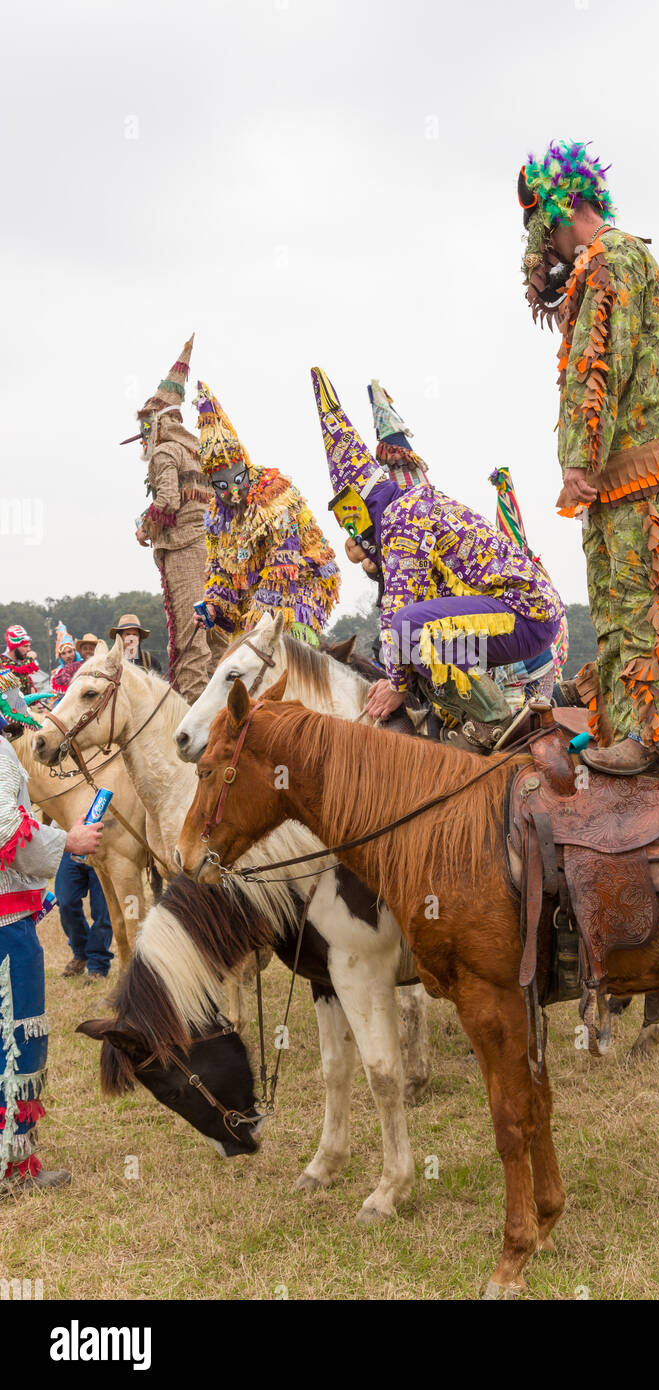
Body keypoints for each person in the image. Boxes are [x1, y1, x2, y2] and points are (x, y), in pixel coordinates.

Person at [519, 141, 659, 775]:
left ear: (569, 208)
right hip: (621, 474)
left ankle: (658, 736)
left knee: (640, 600)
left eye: (546, 231)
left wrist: (578, 459)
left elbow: (598, 368)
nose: (545, 247)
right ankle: (625, 729)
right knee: (615, 606)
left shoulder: (611, 261)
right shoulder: (598, 265)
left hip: (637, 468)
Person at [312, 368, 565, 750]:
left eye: (352, 523)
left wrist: (396, 685)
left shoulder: (402, 516)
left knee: (408, 625)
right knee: (415, 637)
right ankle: (480, 717)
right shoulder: (405, 510)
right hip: (517, 618)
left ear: (360, 508)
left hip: (525, 617)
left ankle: (495, 721)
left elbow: (399, 609)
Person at [1, 683, 103, 1193]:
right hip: (4, 932)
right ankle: (12, 1165)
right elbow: (4, 829)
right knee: (18, 1037)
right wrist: (70, 840)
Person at [193, 380, 340, 644]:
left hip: (301, 580)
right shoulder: (215, 519)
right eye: (222, 486)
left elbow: (283, 561)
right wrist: (213, 607)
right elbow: (218, 569)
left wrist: (261, 614)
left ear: (246, 467)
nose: (233, 492)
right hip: (254, 595)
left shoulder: (276, 496)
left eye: (237, 480)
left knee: (287, 643)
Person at [123, 334, 213, 701]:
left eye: (147, 426)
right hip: (207, 550)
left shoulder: (165, 452)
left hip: (181, 551)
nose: (144, 436)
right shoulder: (198, 452)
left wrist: (145, 528)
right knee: (210, 631)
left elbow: (167, 501)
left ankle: (193, 715)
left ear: (158, 423)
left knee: (189, 638)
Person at [55, 851, 113, 982]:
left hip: (104, 846)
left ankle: (98, 965)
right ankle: (81, 953)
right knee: (65, 901)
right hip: (72, 847)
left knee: (102, 911)